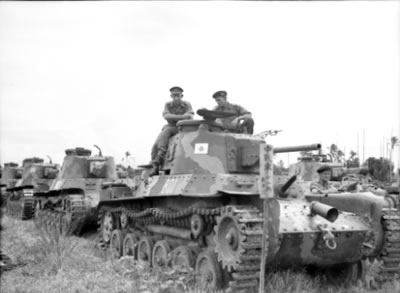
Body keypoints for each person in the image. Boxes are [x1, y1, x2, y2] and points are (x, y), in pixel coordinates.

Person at [150, 86, 194, 175]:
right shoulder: (168, 105)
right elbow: (166, 116)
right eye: (174, 95)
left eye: (178, 95)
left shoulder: (187, 104)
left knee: (166, 132)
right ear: (171, 96)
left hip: (183, 127)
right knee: (156, 144)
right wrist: (182, 117)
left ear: (182, 95)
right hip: (171, 127)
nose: (176, 97)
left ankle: (160, 156)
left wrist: (173, 118)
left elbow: (190, 116)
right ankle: (156, 164)